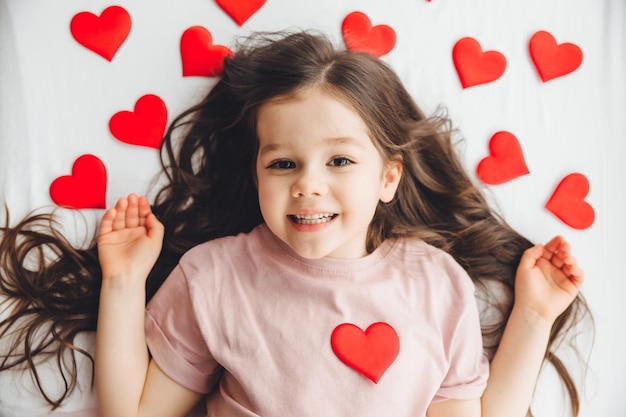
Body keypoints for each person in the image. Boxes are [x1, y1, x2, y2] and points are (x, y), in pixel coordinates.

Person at [93, 30, 587, 417]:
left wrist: (533, 317)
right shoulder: (214, 277)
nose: (308, 185)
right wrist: (122, 280)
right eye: (283, 164)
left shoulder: (436, 284)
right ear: (256, 174)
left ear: (388, 178)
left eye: (341, 162)